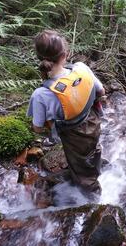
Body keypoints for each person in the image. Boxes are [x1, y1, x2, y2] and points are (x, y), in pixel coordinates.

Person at [27, 30, 105, 193]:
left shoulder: (40, 95)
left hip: (72, 134)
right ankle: (94, 168)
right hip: (93, 120)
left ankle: (93, 195)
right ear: (65, 54)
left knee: (79, 161)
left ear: (40, 58)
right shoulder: (81, 68)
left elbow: (38, 128)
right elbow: (101, 92)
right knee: (92, 149)